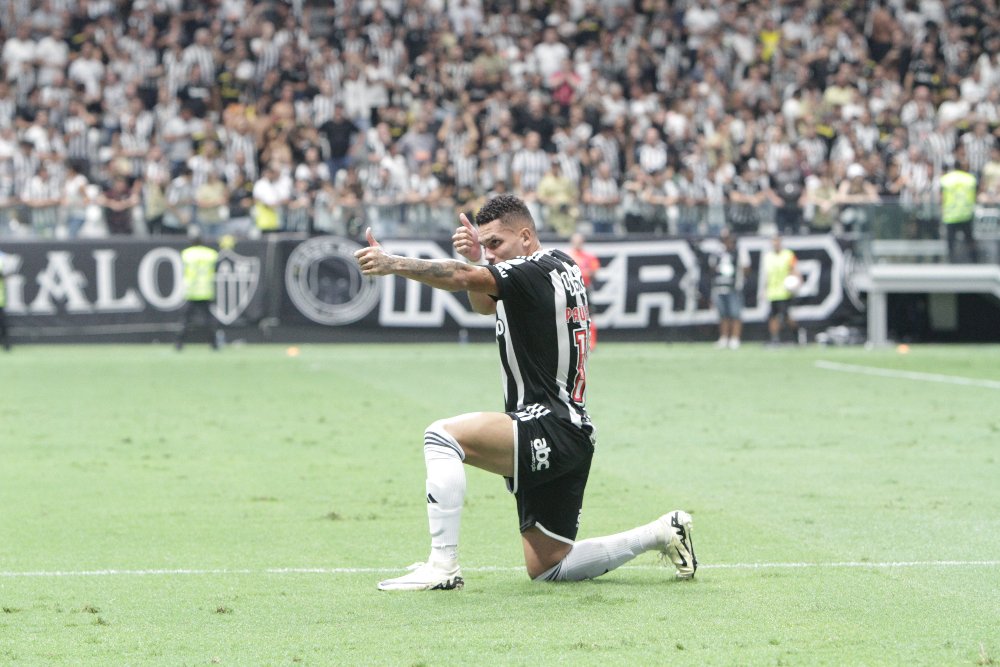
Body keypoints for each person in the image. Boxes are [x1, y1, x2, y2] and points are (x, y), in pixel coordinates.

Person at [354, 193, 695, 591]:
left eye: (496, 243)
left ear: (527, 237)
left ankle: (443, 565)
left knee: (442, 437)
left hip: (546, 423)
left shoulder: (531, 271)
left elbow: (463, 279)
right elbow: (484, 304)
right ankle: (661, 532)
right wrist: (480, 260)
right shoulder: (560, 264)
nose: (490, 254)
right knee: (548, 566)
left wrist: (394, 263)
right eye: (485, 246)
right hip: (572, 431)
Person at [176, 233, 220, 351]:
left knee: (186, 319)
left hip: (192, 290)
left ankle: (179, 343)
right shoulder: (210, 254)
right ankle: (214, 343)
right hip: (206, 289)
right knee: (209, 319)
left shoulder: (187, 254)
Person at [708, 229, 750, 349]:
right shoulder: (717, 252)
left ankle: (735, 338)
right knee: (723, 315)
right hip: (719, 287)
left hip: (734, 288)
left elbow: (746, 268)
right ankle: (724, 337)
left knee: (735, 314)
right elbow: (712, 267)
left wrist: (740, 280)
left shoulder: (739, 251)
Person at [761, 234, 801, 346]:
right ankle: (774, 339)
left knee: (786, 317)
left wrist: (797, 282)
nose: (775, 243)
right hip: (772, 292)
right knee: (772, 316)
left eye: (777, 241)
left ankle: (797, 333)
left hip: (784, 292)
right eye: (774, 241)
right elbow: (767, 275)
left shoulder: (788, 255)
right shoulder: (768, 257)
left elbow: (794, 270)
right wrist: (764, 290)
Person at [939, 157, 979, 263]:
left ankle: (951, 261)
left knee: (951, 242)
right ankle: (974, 261)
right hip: (966, 214)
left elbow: (941, 197)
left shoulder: (946, 179)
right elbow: (976, 194)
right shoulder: (970, 179)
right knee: (970, 240)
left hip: (950, 215)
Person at [568, 232, 599, 350]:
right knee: (570, 315)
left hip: (585, 289)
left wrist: (583, 273)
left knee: (589, 315)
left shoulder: (589, 257)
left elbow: (594, 272)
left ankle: (592, 342)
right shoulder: (567, 256)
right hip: (571, 289)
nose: (577, 243)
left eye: (579, 241)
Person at [0, 248, 11, 351]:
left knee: (4, 324)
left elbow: (4, 275)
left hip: (1, 301)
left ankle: (6, 344)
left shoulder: (2, 257)